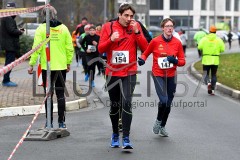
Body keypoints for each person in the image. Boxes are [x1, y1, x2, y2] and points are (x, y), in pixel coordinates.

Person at [98, 3, 148, 149]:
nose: (129, 18)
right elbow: (100, 49)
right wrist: (111, 40)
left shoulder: (135, 27)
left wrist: (138, 33)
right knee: (115, 106)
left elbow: (145, 49)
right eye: (126, 15)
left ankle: (126, 137)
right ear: (119, 15)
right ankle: (115, 134)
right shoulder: (108, 27)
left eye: (131, 16)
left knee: (127, 103)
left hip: (129, 72)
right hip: (112, 72)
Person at [138, 18, 186, 137]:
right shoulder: (155, 41)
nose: (170, 28)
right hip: (158, 74)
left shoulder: (177, 42)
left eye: (171, 26)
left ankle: (163, 126)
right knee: (163, 100)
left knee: (168, 103)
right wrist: (142, 59)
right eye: (167, 26)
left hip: (171, 75)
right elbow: (145, 52)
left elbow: (182, 61)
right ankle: (158, 121)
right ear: (163, 28)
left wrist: (174, 60)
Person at [28, 6, 74, 128]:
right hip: (60, 67)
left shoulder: (41, 29)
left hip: (46, 68)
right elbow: (70, 48)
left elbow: (36, 48)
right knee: (60, 94)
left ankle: (49, 122)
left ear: (44, 16)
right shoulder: (63, 29)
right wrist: (68, 62)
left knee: (48, 95)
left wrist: (31, 64)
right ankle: (61, 122)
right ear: (56, 14)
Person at [1, 2, 24, 87]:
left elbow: (10, 29)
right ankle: (6, 80)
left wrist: (17, 30)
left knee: (9, 62)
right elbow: (11, 30)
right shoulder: (8, 18)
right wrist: (20, 32)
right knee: (9, 63)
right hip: (10, 44)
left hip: (8, 44)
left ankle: (6, 79)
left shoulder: (6, 17)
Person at [198, 25, 225, 95]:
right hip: (215, 59)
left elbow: (199, 47)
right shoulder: (219, 40)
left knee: (205, 74)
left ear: (209, 31)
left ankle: (208, 83)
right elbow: (222, 49)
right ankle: (212, 90)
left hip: (206, 59)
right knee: (214, 74)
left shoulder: (204, 39)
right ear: (216, 31)